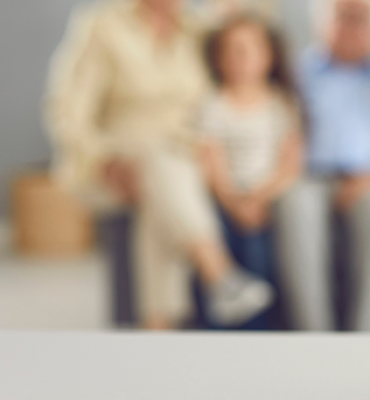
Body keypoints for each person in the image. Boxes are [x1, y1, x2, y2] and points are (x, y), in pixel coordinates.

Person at [45, 0, 273, 329]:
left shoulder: (198, 31)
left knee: (162, 188)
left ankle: (158, 330)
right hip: (117, 158)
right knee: (157, 162)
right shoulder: (102, 26)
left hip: (184, 160)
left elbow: (254, 34)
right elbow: (66, 109)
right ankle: (220, 274)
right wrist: (102, 159)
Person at [275, 0, 370, 331]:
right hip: (310, 176)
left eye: (361, 18)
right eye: (341, 17)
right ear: (321, 24)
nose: (351, 26)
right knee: (295, 204)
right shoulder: (296, 72)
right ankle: (315, 334)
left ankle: (368, 336)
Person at [196, 14, 304, 329]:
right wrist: (232, 200)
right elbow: (210, 159)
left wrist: (260, 198)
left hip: (267, 200)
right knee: (220, 240)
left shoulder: (280, 105)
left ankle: (262, 330)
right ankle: (219, 327)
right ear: (217, 60)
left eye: (250, 49)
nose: (241, 58)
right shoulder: (214, 105)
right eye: (232, 50)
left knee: (263, 256)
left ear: (269, 56)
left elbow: (290, 163)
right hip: (226, 200)